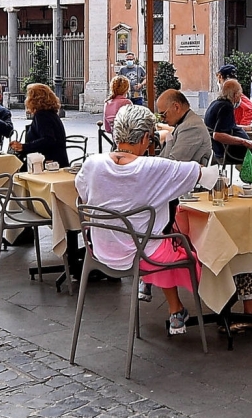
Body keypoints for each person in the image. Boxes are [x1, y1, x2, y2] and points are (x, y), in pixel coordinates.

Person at [76, 104, 206, 336]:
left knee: (156, 237)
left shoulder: (91, 163)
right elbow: (199, 172)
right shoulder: (154, 167)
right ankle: (181, 305)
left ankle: (156, 293)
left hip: (100, 250)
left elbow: (83, 194)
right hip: (143, 254)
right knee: (182, 248)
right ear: (146, 137)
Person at [12, 83, 71, 168]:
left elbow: (48, 140)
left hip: (47, 164)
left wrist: (23, 147)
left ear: (34, 99)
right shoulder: (51, 114)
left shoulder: (42, 115)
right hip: (58, 162)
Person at [157, 89, 212, 165]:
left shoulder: (191, 127)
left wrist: (169, 141)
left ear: (176, 107)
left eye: (163, 114)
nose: (162, 119)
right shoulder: (187, 122)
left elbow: (173, 165)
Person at [205, 77, 252, 164]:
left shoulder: (216, 103)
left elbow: (230, 126)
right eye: (240, 94)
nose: (240, 97)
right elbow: (217, 135)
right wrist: (243, 141)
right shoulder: (226, 107)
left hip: (219, 150)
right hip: (228, 152)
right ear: (235, 95)